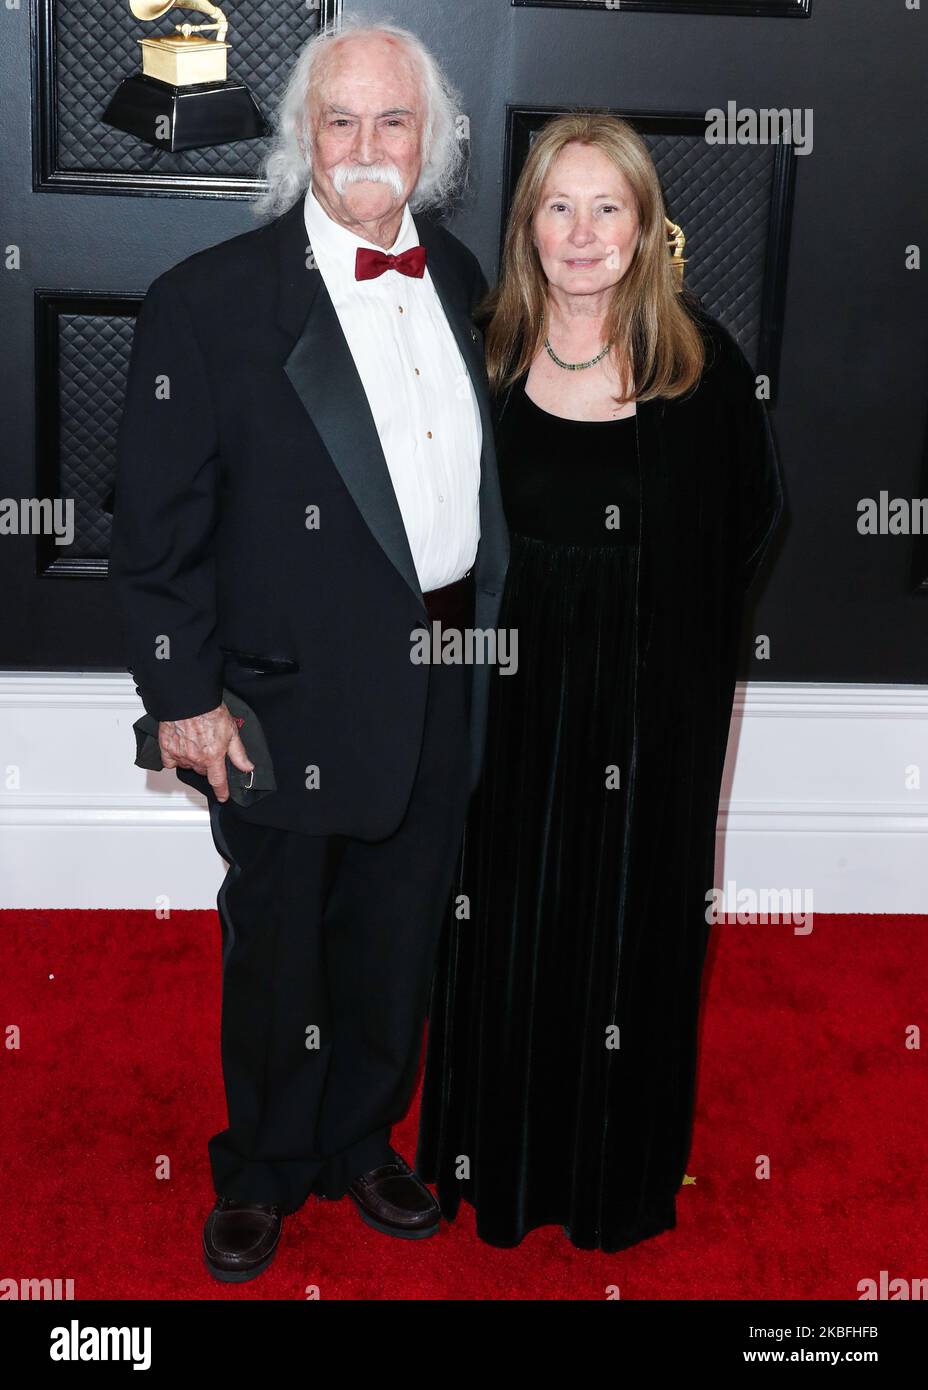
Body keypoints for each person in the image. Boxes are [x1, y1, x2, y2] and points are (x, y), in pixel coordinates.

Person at [109, 19, 508, 1282]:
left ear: (432, 140)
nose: (367, 147)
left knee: (399, 932)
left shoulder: (463, 280)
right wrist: (183, 697)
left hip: (443, 678)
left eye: (395, 121)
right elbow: (154, 528)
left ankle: (361, 1142)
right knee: (278, 946)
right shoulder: (209, 302)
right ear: (301, 139)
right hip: (280, 698)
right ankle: (267, 1166)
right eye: (340, 121)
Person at [416, 112, 786, 1253]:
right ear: (528, 225)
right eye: (557, 207)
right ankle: (499, 1166)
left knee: (626, 928)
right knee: (505, 922)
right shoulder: (482, 354)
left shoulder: (701, 364)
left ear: (644, 227)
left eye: (606, 208)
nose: (581, 234)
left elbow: (752, 522)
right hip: (513, 700)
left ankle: (613, 1176)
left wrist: (668, 665)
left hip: (647, 704)